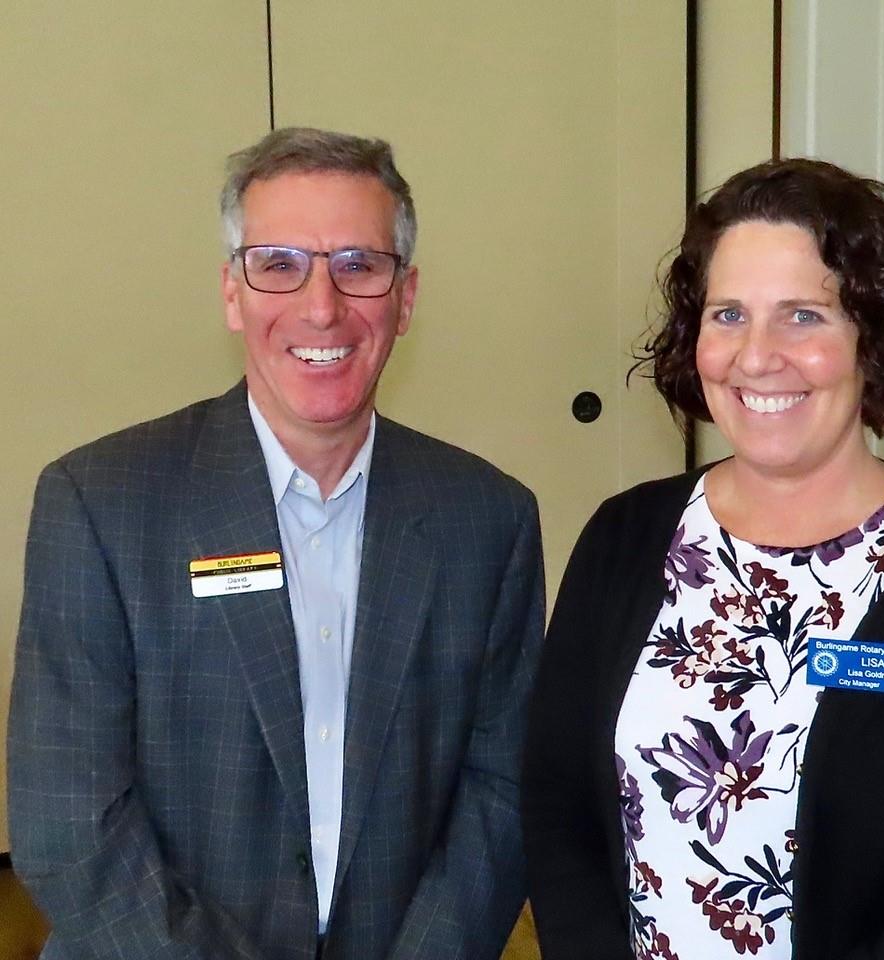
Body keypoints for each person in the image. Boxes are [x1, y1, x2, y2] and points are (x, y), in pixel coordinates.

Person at [8, 127, 545, 960]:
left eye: (358, 265)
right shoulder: (101, 503)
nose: (321, 306)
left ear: (405, 298)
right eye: (279, 264)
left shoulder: (488, 518)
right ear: (233, 292)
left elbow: (502, 791)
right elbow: (65, 818)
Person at [522, 158, 884, 960]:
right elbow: (556, 795)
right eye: (728, 314)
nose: (755, 356)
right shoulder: (622, 538)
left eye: (802, 316)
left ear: (873, 339)